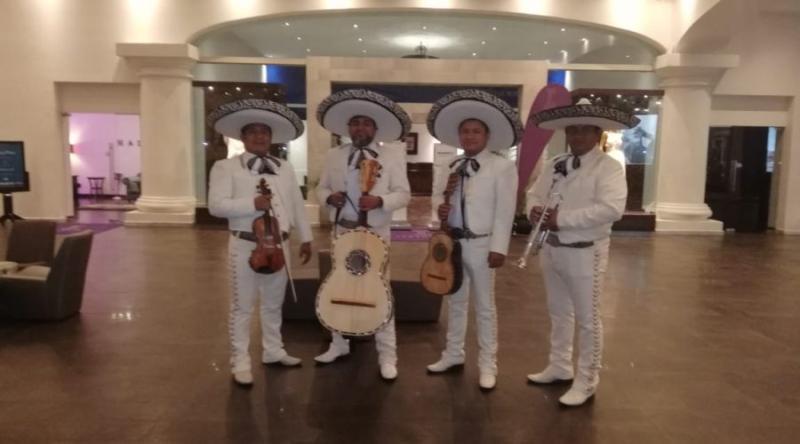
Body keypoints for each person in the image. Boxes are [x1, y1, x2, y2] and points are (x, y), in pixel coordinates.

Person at [525, 98, 637, 406]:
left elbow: (612, 209)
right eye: (573, 130)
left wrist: (562, 219)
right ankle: (559, 365)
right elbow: (534, 192)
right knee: (559, 312)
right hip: (552, 249)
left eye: (585, 131)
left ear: (597, 133)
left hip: (587, 252)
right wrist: (533, 210)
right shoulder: (556, 162)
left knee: (588, 319)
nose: (578, 136)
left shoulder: (609, 167)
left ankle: (587, 380)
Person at [207, 99, 313, 386]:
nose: (259, 136)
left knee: (273, 304)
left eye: (264, 131)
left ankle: (273, 351)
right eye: (252, 131)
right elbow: (216, 206)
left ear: (271, 136)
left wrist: (306, 237)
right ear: (242, 138)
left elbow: (296, 204)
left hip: (280, 246)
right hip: (246, 245)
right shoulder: (225, 167)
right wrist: (251, 203)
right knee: (242, 306)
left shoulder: (285, 167)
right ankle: (239, 360)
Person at [425, 89, 522, 390]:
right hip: (453, 244)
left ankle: (488, 363)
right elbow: (435, 201)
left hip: (482, 245)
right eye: (465, 132)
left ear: (486, 135)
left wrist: (499, 248)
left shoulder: (501, 167)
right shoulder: (451, 166)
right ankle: (453, 353)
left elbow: (506, 211)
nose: (469, 137)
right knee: (454, 300)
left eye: (475, 131)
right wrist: (439, 210)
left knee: (484, 306)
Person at [314, 89, 412, 380]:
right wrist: (330, 198)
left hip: (376, 234)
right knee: (338, 285)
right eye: (355, 123)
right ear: (348, 127)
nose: (360, 128)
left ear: (375, 127)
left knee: (381, 288)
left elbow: (404, 194)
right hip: (342, 231)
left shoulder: (392, 155)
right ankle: (339, 343)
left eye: (366, 123)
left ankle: (387, 354)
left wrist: (381, 201)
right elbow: (320, 189)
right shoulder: (334, 155)